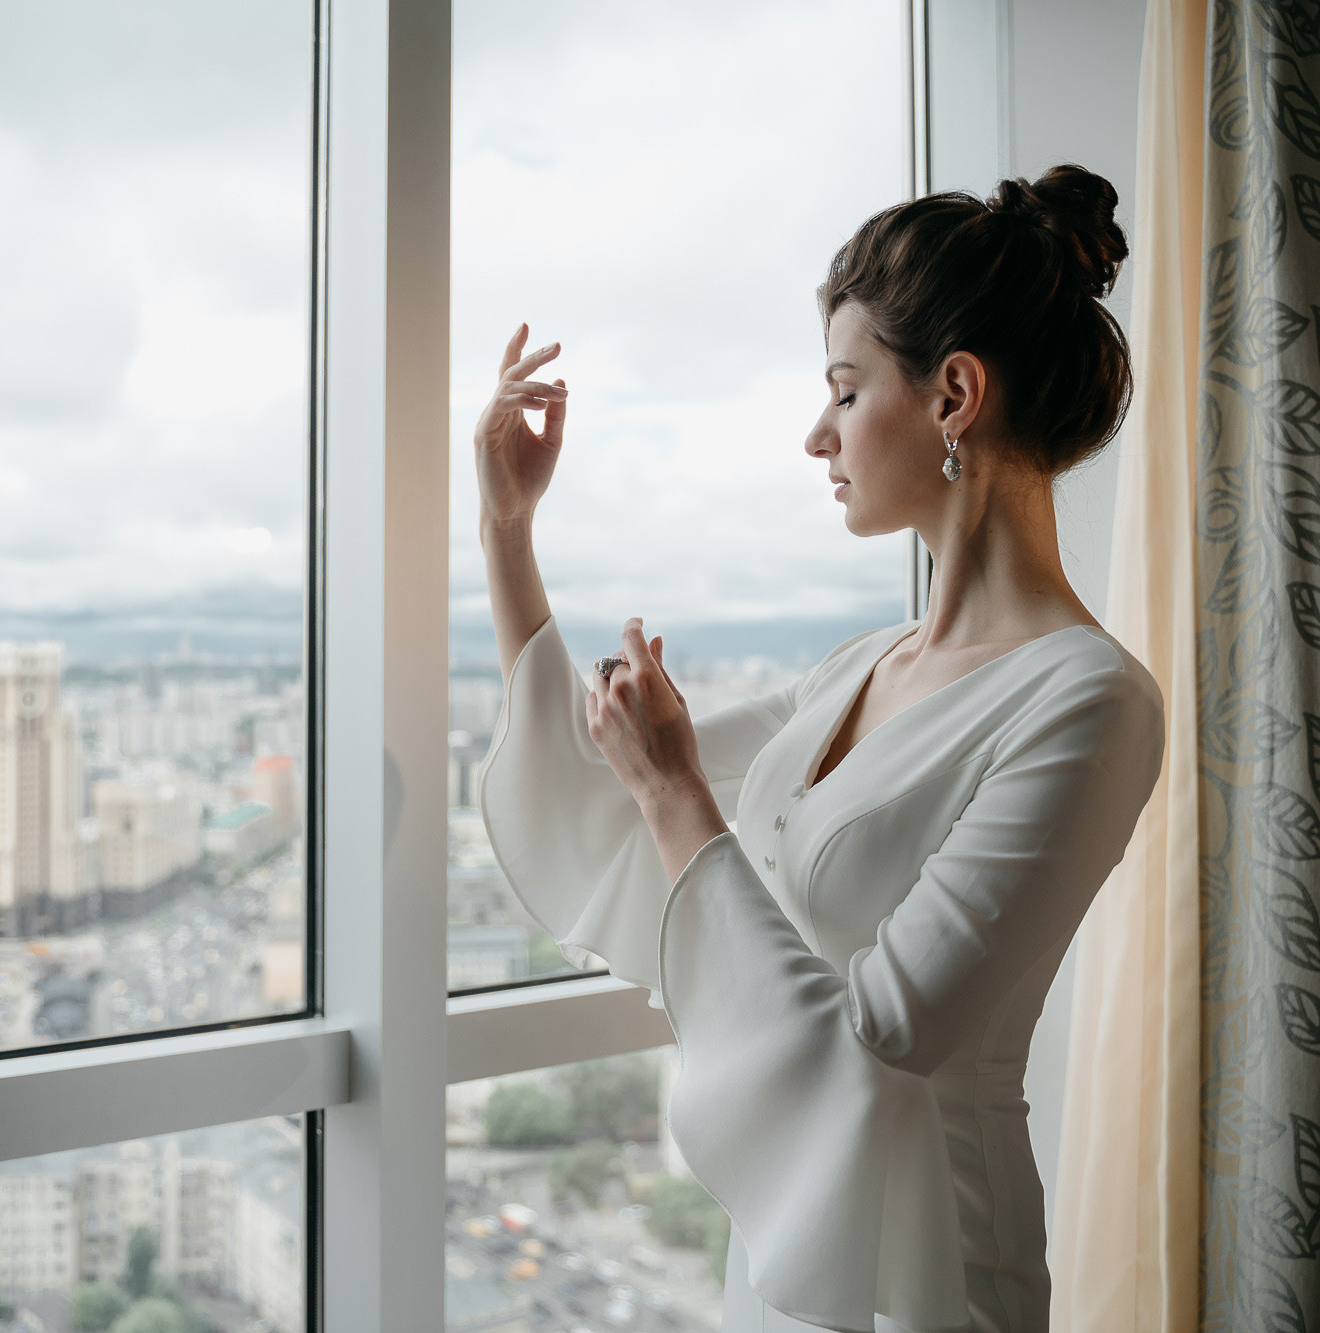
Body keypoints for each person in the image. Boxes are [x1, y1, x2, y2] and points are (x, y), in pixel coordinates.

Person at [470, 164, 1165, 1333]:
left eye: (844, 392)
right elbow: (607, 789)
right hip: (782, 1261)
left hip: (933, 1273)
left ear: (953, 395)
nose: (814, 435)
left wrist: (677, 788)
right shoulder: (854, 666)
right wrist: (504, 529)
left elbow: (879, 1038)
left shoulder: (1088, 705)